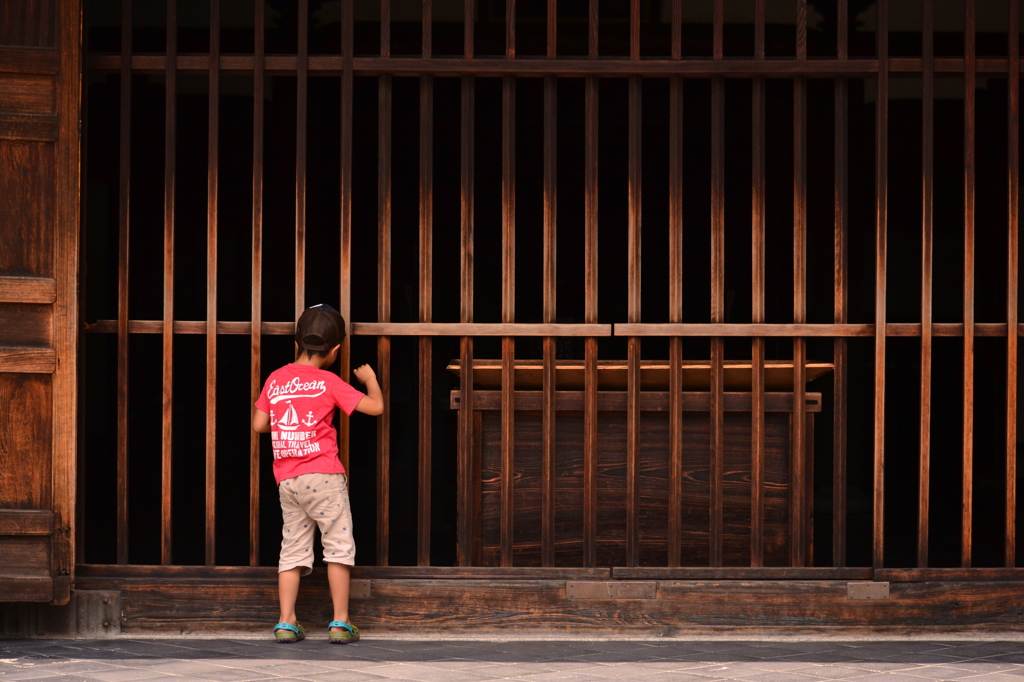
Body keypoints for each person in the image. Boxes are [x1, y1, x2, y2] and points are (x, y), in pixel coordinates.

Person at [252, 303, 383, 644]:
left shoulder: (276, 378)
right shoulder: (329, 382)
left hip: (288, 480)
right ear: (336, 349)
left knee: (292, 549)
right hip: (324, 476)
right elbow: (375, 407)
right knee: (338, 546)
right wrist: (370, 380)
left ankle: (286, 621)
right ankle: (340, 622)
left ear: (298, 342)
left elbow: (259, 425)